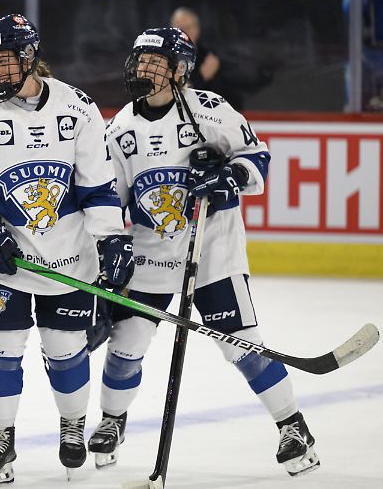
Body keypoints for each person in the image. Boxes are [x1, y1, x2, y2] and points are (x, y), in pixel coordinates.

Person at [91, 27, 318, 477]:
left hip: (212, 251)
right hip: (150, 256)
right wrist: (105, 244)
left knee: (242, 347)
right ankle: (112, 421)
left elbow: (258, 160)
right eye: (141, 61)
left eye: (156, 63)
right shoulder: (120, 127)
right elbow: (108, 195)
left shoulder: (210, 111)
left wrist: (228, 174)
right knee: (127, 344)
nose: (145, 69)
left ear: (180, 70)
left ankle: (293, 427)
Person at [0, 14, 130, 486]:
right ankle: (0, 437)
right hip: (4, 263)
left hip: (70, 257)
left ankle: (73, 424)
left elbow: (98, 187)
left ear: (28, 57)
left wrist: (111, 239)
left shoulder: (77, 108)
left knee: (65, 350)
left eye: (3, 63)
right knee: (0, 350)